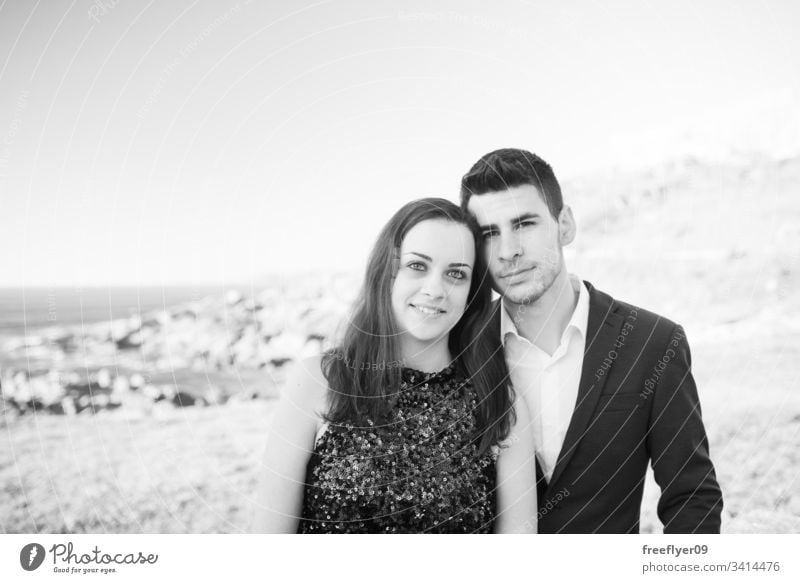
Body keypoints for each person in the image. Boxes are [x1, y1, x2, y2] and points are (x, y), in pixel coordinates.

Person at [461, 148, 723, 533]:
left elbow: (692, 497)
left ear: (565, 224)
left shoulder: (653, 344)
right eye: (488, 234)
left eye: (524, 224)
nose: (508, 251)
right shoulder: (462, 352)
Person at [252, 198, 538, 533]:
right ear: (386, 272)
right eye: (418, 266)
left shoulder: (500, 400)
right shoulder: (319, 381)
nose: (435, 289)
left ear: (472, 292)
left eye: (456, 274)